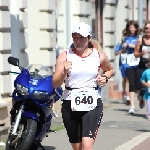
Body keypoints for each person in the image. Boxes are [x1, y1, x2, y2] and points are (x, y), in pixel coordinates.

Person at [52, 22, 113, 150]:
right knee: (77, 147)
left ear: (89, 38)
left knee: (86, 145)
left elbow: (109, 69)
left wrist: (105, 78)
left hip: (92, 103)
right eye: (75, 37)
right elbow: (55, 83)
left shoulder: (98, 56)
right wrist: (63, 72)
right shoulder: (65, 56)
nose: (78, 41)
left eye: (81, 38)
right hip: (70, 102)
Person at [122, 20, 140, 114]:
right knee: (131, 84)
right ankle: (132, 106)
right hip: (128, 62)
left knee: (138, 84)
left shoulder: (139, 38)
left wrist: (134, 46)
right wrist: (124, 47)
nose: (132, 29)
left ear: (136, 28)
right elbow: (122, 51)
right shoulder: (126, 38)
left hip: (138, 62)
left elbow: (141, 48)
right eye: (130, 27)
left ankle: (140, 95)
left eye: (133, 27)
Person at [134, 21, 150, 109]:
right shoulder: (140, 40)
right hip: (142, 67)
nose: (148, 30)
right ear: (144, 30)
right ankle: (141, 98)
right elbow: (135, 53)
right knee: (142, 89)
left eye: (149, 28)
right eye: (146, 28)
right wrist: (141, 53)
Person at [114, 29, 130, 104]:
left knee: (129, 79)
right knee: (125, 79)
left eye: (127, 34)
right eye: (124, 34)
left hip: (130, 63)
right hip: (123, 63)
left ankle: (128, 96)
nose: (125, 36)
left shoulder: (131, 42)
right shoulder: (120, 43)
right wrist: (122, 50)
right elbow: (116, 52)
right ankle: (124, 92)